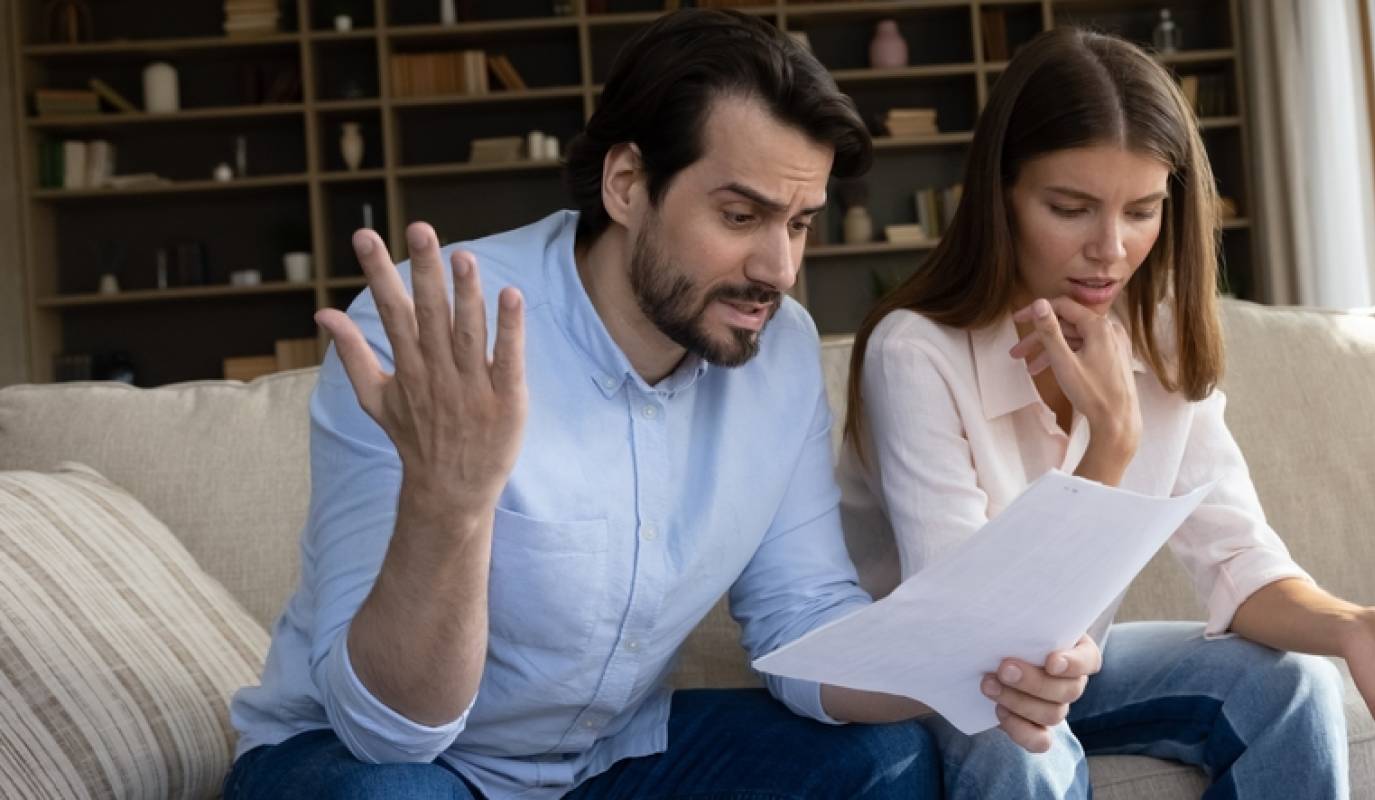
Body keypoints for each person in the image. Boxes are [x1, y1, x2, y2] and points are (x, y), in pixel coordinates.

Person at [224, 10, 1079, 798]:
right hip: (380, 762)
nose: (779, 270)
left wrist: (981, 665)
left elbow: (804, 624)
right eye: (741, 214)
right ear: (628, 184)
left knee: (882, 763)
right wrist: (452, 507)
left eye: (801, 223)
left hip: (609, 758)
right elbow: (387, 729)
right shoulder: (432, 331)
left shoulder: (778, 353)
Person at [839, 27, 1375, 799]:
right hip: (941, 689)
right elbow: (980, 636)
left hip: (1068, 669)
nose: (1110, 249)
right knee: (1022, 744)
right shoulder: (917, 352)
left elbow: (1242, 564)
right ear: (1001, 195)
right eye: (1070, 208)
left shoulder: (1163, 340)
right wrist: (1110, 440)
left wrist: (1355, 627)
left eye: (1142, 210)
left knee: (1293, 688)